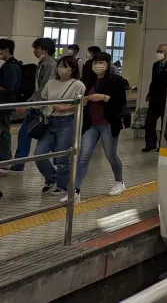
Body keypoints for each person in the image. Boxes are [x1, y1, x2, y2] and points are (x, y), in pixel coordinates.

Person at [67, 52, 127, 202]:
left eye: (101, 63)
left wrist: (105, 98)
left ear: (107, 65)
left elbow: (120, 102)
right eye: (95, 63)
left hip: (108, 123)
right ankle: (75, 190)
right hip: (91, 124)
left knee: (111, 155)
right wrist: (85, 100)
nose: (97, 66)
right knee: (83, 156)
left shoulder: (116, 81)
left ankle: (119, 182)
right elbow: (82, 100)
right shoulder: (89, 81)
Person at [34, 56, 86, 196]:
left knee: (62, 157)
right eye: (60, 66)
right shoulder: (51, 83)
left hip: (67, 122)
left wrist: (66, 108)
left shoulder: (78, 85)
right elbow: (43, 98)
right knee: (39, 154)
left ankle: (62, 186)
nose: (61, 69)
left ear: (73, 69)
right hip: (50, 121)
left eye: (65, 66)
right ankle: (51, 179)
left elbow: (81, 105)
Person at [9, 38, 58, 173]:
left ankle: (57, 168)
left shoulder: (51, 66)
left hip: (44, 108)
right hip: (37, 106)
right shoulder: (41, 65)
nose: (34, 52)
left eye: (36, 49)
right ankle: (19, 164)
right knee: (24, 133)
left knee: (46, 138)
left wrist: (28, 104)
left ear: (44, 50)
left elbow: (44, 88)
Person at [143, 43, 167, 152]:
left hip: (165, 99)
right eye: (158, 51)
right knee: (149, 123)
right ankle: (150, 144)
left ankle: (163, 145)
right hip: (154, 99)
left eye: (161, 51)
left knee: (164, 125)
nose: (159, 53)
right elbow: (153, 81)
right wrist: (149, 94)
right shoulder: (155, 65)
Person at [0, 39, 22, 167]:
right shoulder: (7, 65)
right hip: (3, 103)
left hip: (5, 104)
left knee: (3, 132)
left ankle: (4, 160)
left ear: (6, 49)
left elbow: (10, 86)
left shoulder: (12, 66)